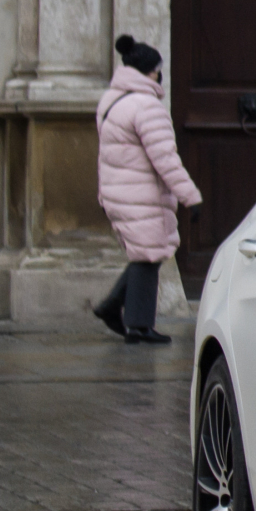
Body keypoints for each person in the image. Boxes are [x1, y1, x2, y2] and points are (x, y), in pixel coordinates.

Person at [92, 35, 202, 345]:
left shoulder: (111, 100)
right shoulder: (146, 106)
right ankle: (137, 325)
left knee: (145, 254)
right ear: (150, 71)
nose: (160, 74)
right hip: (141, 193)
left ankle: (115, 308)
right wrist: (190, 196)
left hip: (118, 190)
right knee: (148, 256)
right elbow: (165, 158)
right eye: (158, 68)